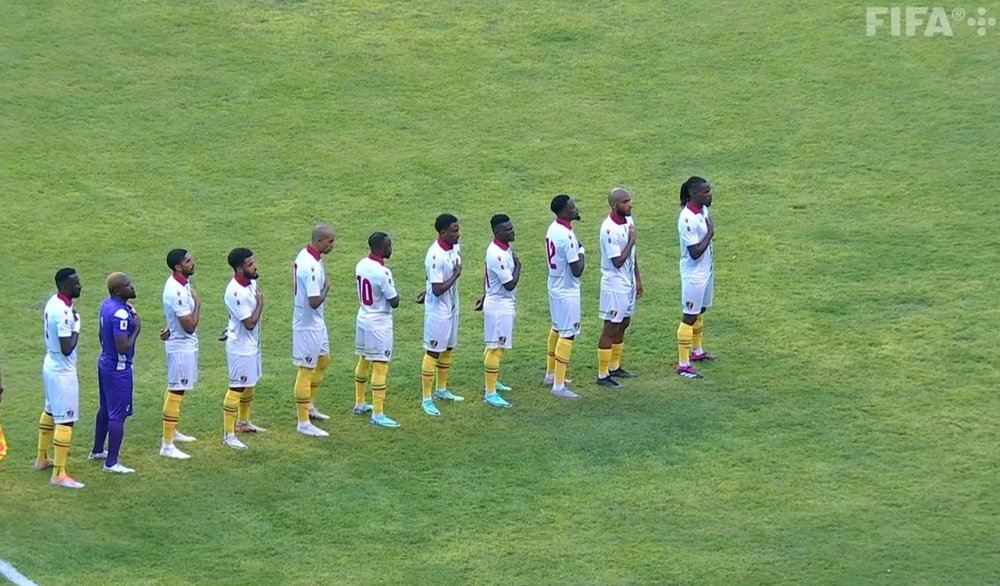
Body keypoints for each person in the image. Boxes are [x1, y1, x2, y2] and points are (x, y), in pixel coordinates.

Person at [37, 268, 84, 488]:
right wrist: (77, 326)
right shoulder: (65, 314)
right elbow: (67, 348)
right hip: (62, 372)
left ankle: (41, 458)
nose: (80, 286)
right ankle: (59, 474)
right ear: (65, 286)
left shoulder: (54, 302)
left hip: (50, 365)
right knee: (65, 420)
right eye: (76, 283)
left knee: (49, 410)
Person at [90, 273, 141, 473]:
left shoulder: (106, 305)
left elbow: (101, 334)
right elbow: (122, 346)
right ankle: (111, 462)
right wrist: (136, 329)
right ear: (118, 290)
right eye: (128, 285)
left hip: (105, 362)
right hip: (119, 368)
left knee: (105, 408)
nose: (133, 287)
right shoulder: (120, 314)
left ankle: (97, 450)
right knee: (117, 415)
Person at [222, 248, 273, 447]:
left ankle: (243, 422)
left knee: (250, 383)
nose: (255, 266)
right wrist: (261, 304)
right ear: (240, 269)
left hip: (251, 345)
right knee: (237, 387)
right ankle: (228, 435)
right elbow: (249, 322)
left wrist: (228, 327)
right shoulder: (235, 292)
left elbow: (234, 315)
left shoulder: (251, 282)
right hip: (240, 348)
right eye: (250, 264)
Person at [416, 213, 464, 416]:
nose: (458, 234)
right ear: (442, 232)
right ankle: (426, 399)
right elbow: (437, 289)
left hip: (452, 307)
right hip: (438, 311)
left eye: (458, 229)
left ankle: (441, 390)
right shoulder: (435, 255)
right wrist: (456, 274)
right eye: (454, 231)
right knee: (433, 351)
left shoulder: (454, 248)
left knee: (448, 348)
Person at [596, 187, 643, 387]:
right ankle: (602, 374)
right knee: (611, 326)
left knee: (624, 323)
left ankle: (615, 366)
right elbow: (617, 261)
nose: (629, 204)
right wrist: (632, 240)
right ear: (615, 205)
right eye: (625, 201)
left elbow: (632, 257)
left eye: (629, 200)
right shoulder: (609, 229)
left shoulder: (628, 221)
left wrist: (638, 279)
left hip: (628, 282)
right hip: (614, 284)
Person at [354, 232, 401, 427]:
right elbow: (394, 301)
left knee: (364, 359)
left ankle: (359, 403)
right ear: (381, 248)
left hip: (363, 317)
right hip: (379, 323)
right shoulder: (383, 272)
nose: (391, 249)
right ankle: (378, 414)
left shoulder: (361, 264)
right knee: (380, 365)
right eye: (389, 246)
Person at [291, 225, 335, 431]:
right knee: (307, 369)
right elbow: (314, 301)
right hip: (307, 325)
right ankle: (303, 422)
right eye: (330, 241)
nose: (332, 245)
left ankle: (308, 405)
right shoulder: (311, 266)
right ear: (318, 241)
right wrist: (326, 288)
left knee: (324, 359)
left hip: (316, 322)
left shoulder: (309, 256)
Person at [474, 214, 519, 408]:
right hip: (499, 305)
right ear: (497, 232)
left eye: (511, 227)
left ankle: (492, 382)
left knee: (495, 345)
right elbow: (509, 284)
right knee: (496, 348)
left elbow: (489, 277)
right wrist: (519, 266)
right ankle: (490, 393)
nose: (512, 231)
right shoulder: (497, 254)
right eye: (508, 229)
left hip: (498, 302)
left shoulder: (502, 248)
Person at [159, 249, 200, 459]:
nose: (192, 263)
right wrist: (198, 304)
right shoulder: (175, 289)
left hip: (182, 345)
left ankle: (172, 432)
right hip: (181, 347)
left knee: (177, 388)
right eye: (188, 261)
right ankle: (167, 445)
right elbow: (190, 326)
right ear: (177, 267)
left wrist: (169, 327)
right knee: (177, 390)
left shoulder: (182, 283)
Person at [544, 195, 585, 399]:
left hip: (555, 284)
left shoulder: (554, 228)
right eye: (572, 207)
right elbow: (577, 269)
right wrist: (582, 250)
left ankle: (551, 374)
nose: (576, 209)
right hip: (567, 290)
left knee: (557, 328)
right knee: (567, 334)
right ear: (563, 212)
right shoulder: (567, 236)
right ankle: (558, 386)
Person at [676, 176, 717, 378]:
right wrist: (710, 233)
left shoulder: (702, 210)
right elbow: (694, 251)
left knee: (701, 309)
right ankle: (683, 364)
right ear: (693, 194)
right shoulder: (687, 219)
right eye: (706, 191)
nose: (710, 194)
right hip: (693, 274)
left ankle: (697, 351)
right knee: (689, 315)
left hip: (706, 270)